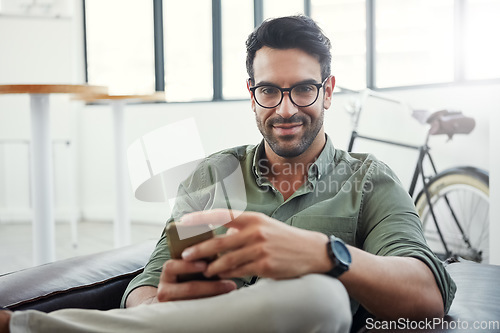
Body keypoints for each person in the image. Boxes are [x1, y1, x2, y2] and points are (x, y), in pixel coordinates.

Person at [1, 15, 455, 333]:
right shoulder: (213, 176)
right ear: (251, 94)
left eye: (303, 89)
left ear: (329, 91)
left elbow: (429, 297)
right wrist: (165, 300)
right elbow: (146, 287)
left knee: (322, 297)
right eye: (269, 91)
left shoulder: (368, 181)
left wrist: (324, 254)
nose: (286, 108)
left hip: (310, 320)